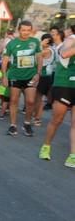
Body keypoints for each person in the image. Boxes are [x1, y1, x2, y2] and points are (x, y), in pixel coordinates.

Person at [38, 25, 75, 167]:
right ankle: (46, 146)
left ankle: (72, 155)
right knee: (57, 120)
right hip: (65, 84)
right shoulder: (71, 39)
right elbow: (64, 54)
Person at [2, 20, 42, 137]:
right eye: (23, 30)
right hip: (15, 75)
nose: (25, 33)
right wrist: (4, 76)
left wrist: (38, 73)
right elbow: (4, 61)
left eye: (28, 30)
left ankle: (27, 123)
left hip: (30, 75)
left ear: (31, 31)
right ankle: (13, 125)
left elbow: (39, 58)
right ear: (19, 30)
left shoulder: (35, 42)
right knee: (14, 100)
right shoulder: (12, 44)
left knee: (30, 101)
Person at [31, 33, 54, 126]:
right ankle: (36, 117)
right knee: (39, 99)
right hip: (47, 76)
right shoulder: (52, 49)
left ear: (47, 41)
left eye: (43, 40)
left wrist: (39, 44)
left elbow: (35, 55)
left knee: (38, 99)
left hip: (44, 76)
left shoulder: (47, 51)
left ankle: (37, 119)